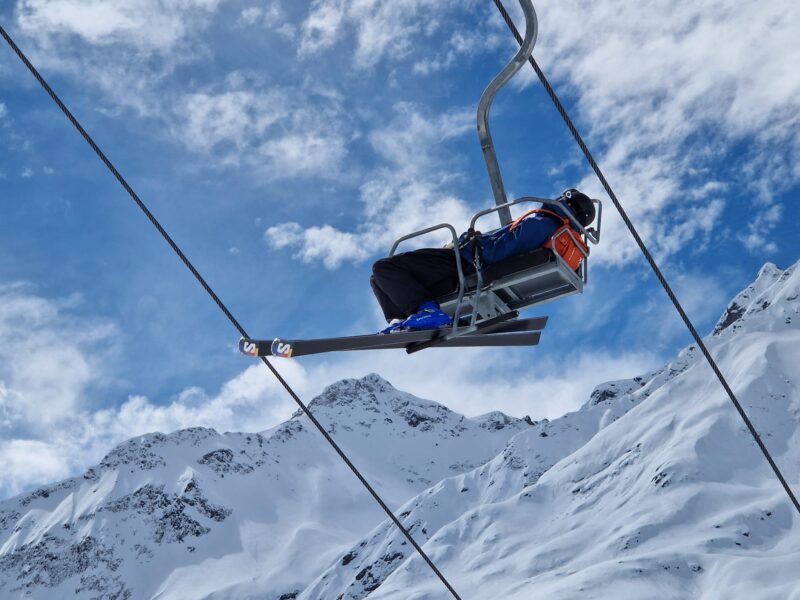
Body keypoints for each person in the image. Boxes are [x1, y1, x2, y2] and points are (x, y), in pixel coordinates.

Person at [370, 189, 596, 333]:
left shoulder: (542, 223)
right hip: (465, 267)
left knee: (384, 267)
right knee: (378, 279)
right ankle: (403, 320)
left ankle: (427, 313)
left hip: (463, 261)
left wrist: (475, 242)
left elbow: (498, 251)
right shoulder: (557, 234)